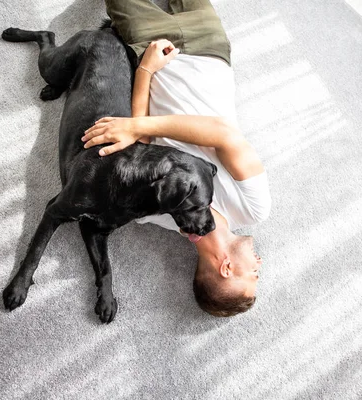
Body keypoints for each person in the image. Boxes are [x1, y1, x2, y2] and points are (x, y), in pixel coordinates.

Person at [81, 0, 272, 317]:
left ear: (226, 268)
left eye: (254, 273)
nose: (259, 264)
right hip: (211, 49)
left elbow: (139, 146)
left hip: (155, 51)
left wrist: (145, 68)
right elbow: (224, 135)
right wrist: (137, 126)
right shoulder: (254, 208)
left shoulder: (158, 213)